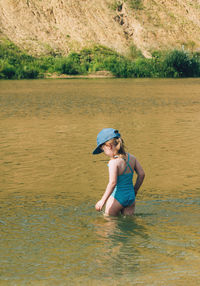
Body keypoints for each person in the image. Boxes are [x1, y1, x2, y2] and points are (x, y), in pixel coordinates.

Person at [93, 128, 145, 216]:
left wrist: (103, 200)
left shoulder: (113, 162)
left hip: (117, 198)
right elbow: (142, 174)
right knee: (128, 225)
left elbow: (113, 183)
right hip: (130, 197)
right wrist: (135, 190)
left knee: (109, 222)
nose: (104, 153)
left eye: (103, 150)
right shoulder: (132, 158)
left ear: (109, 146)